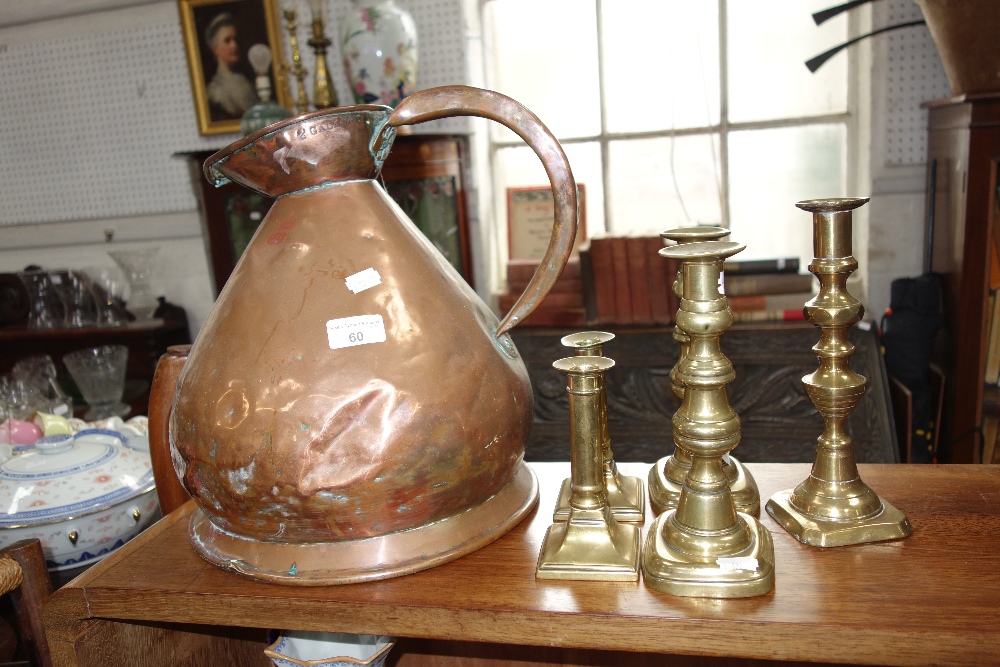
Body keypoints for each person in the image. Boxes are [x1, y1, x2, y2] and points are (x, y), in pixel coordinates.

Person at [203, 12, 258, 120]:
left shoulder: (247, 81)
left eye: (235, 39)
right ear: (215, 49)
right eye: (227, 41)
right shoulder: (215, 91)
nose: (234, 45)